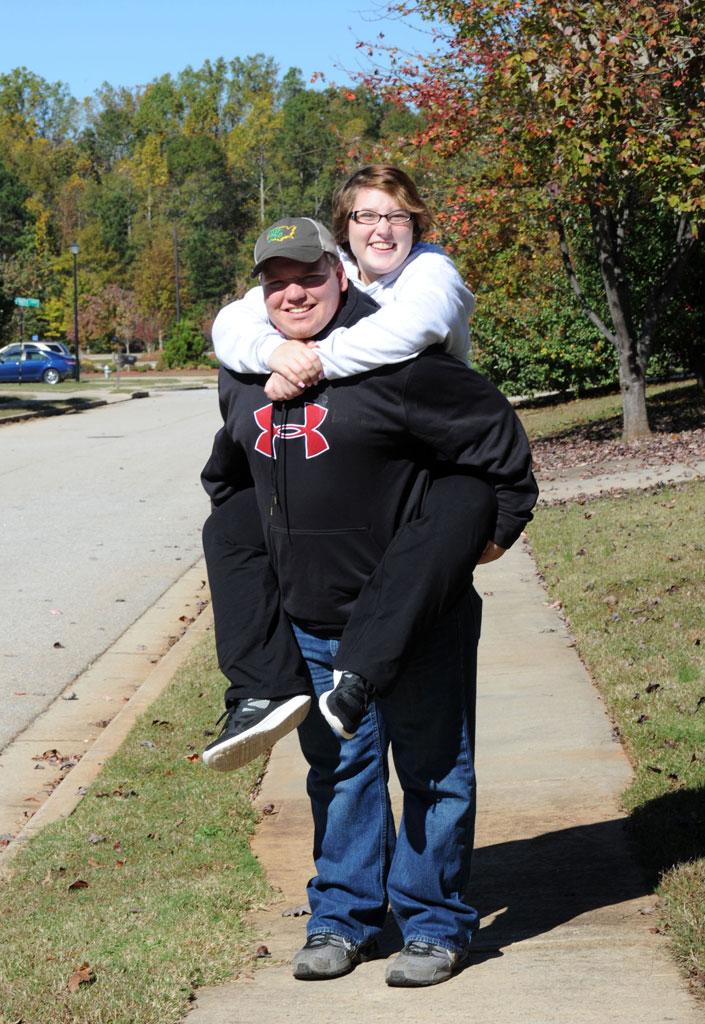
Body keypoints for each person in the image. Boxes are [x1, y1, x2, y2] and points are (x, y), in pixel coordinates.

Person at [202, 218, 538, 986]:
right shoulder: (247, 368)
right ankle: (342, 918)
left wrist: (501, 527)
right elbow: (230, 466)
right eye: (276, 280)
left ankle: (433, 925)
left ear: (341, 274)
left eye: (309, 275)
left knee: (432, 773)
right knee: (340, 775)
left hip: (415, 616)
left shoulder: (394, 356)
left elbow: (495, 438)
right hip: (310, 620)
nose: (293, 292)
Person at [202, 167, 502, 772]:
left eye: (397, 215)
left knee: (436, 770)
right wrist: (270, 351)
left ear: (417, 223)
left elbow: (407, 334)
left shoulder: (429, 275)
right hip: (354, 503)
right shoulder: (315, 278)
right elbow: (232, 324)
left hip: (436, 458)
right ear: (345, 233)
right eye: (367, 216)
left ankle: (363, 666)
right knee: (231, 525)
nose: (383, 228)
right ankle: (263, 690)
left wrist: (307, 360)